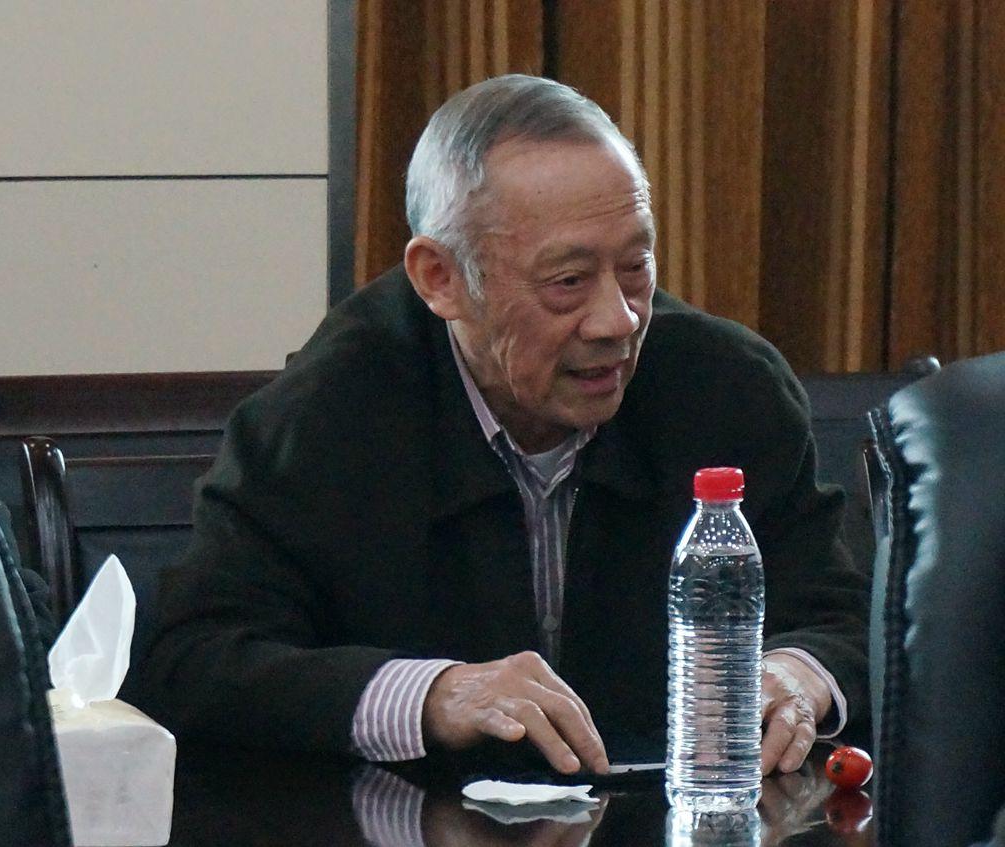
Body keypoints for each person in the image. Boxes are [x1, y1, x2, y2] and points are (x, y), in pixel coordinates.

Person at [132, 75, 868, 778]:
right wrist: (433, 695)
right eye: (568, 282)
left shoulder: (724, 389)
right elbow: (192, 659)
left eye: (635, 267)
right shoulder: (332, 410)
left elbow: (850, 617)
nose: (618, 321)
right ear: (441, 278)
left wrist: (799, 676)